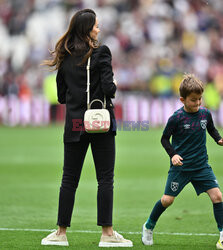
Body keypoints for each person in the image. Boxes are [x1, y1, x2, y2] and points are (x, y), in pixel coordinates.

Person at [41, 9, 132, 247]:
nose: (98, 29)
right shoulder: (101, 52)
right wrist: (112, 83)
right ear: (87, 28)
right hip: (100, 122)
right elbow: (109, 90)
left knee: (69, 179)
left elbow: (61, 96)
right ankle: (107, 234)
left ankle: (60, 233)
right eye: (96, 26)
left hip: (74, 123)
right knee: (105, 179)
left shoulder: (65, 55)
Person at [142, 74, 223, 249]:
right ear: (182, 100)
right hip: (181, 168)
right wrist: (173, 155)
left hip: (202, 166)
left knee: (217, 196)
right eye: (194, 100)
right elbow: (164, 139)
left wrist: (218, 139)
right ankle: (149, 226)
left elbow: (211, 129)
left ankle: (222, 234)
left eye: (200, 98)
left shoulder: (205, 114)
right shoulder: (176, 118)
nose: (198, 103)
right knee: (167, 200)